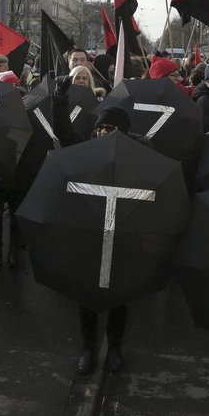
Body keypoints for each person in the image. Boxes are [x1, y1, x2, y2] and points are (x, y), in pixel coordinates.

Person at [51, 80, 142, 376]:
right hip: (88, 234)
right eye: (101, 128)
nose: (104, 133)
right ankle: (88, 348)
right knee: (85, 295)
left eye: (111, 129)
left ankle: (114, 347)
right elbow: (63, 130)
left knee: (119, 297)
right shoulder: (85, 149)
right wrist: (59, 99)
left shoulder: (138, 155)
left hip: (122, 236)